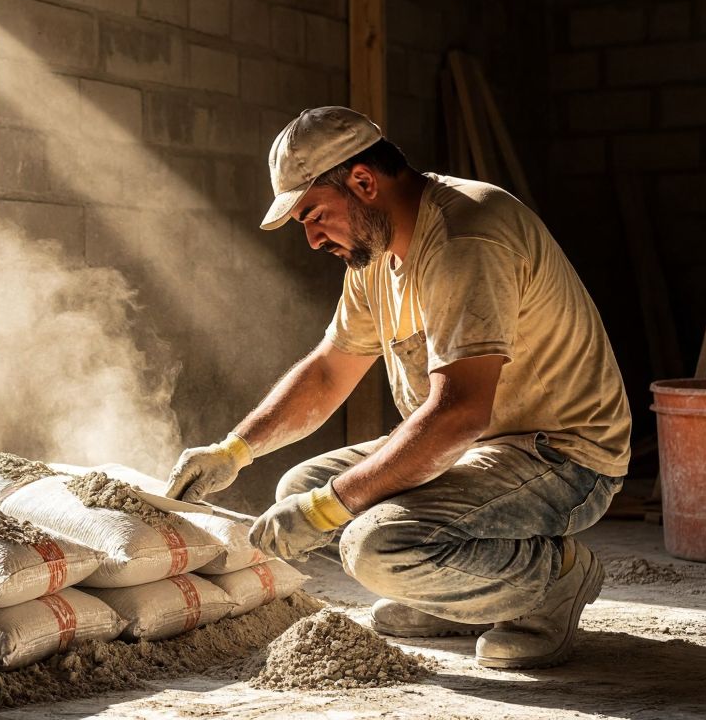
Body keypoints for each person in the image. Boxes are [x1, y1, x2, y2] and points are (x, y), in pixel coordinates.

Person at [164, 106, 630, 669]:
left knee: (373, 545)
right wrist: (234, 451)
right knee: (298, 487)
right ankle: (459, 592)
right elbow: (328, 372)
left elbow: (459, 416)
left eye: (314, 215)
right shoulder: (374, 258)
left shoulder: (467, 237)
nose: (312, 240)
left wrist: (329, 508)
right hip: (477, 447)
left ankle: (554, 582)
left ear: (363, 181)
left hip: (561, 456)